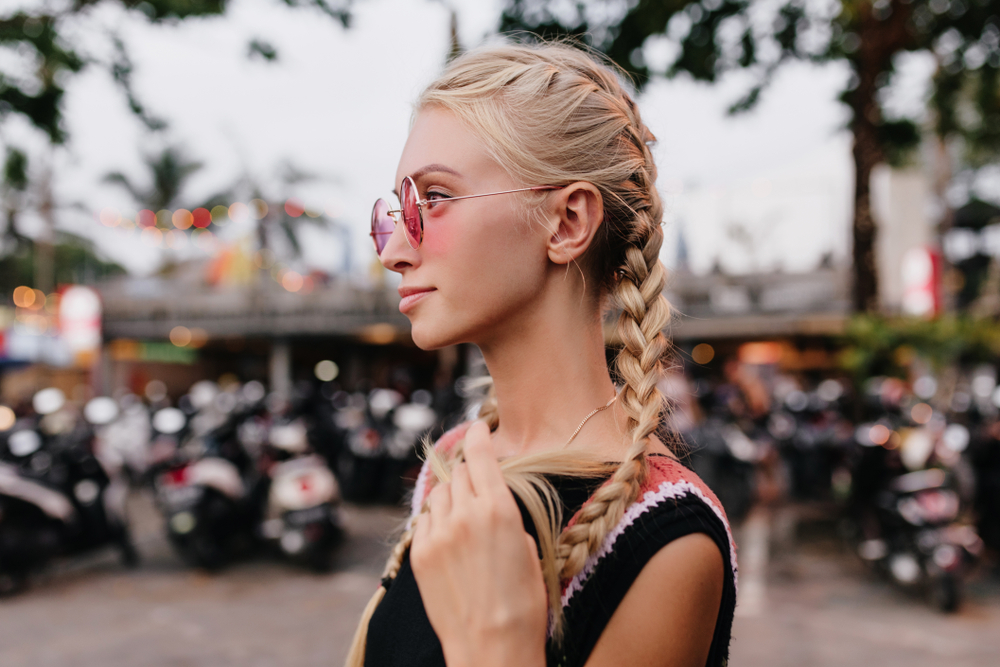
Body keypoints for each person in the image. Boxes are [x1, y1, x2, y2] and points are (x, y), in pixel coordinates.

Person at [348, 41, 737, 667]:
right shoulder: (454, 465)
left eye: (434, 200)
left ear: (566, 222)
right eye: (396, 212)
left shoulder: (662, 537)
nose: (393, 251)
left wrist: (498, 649)